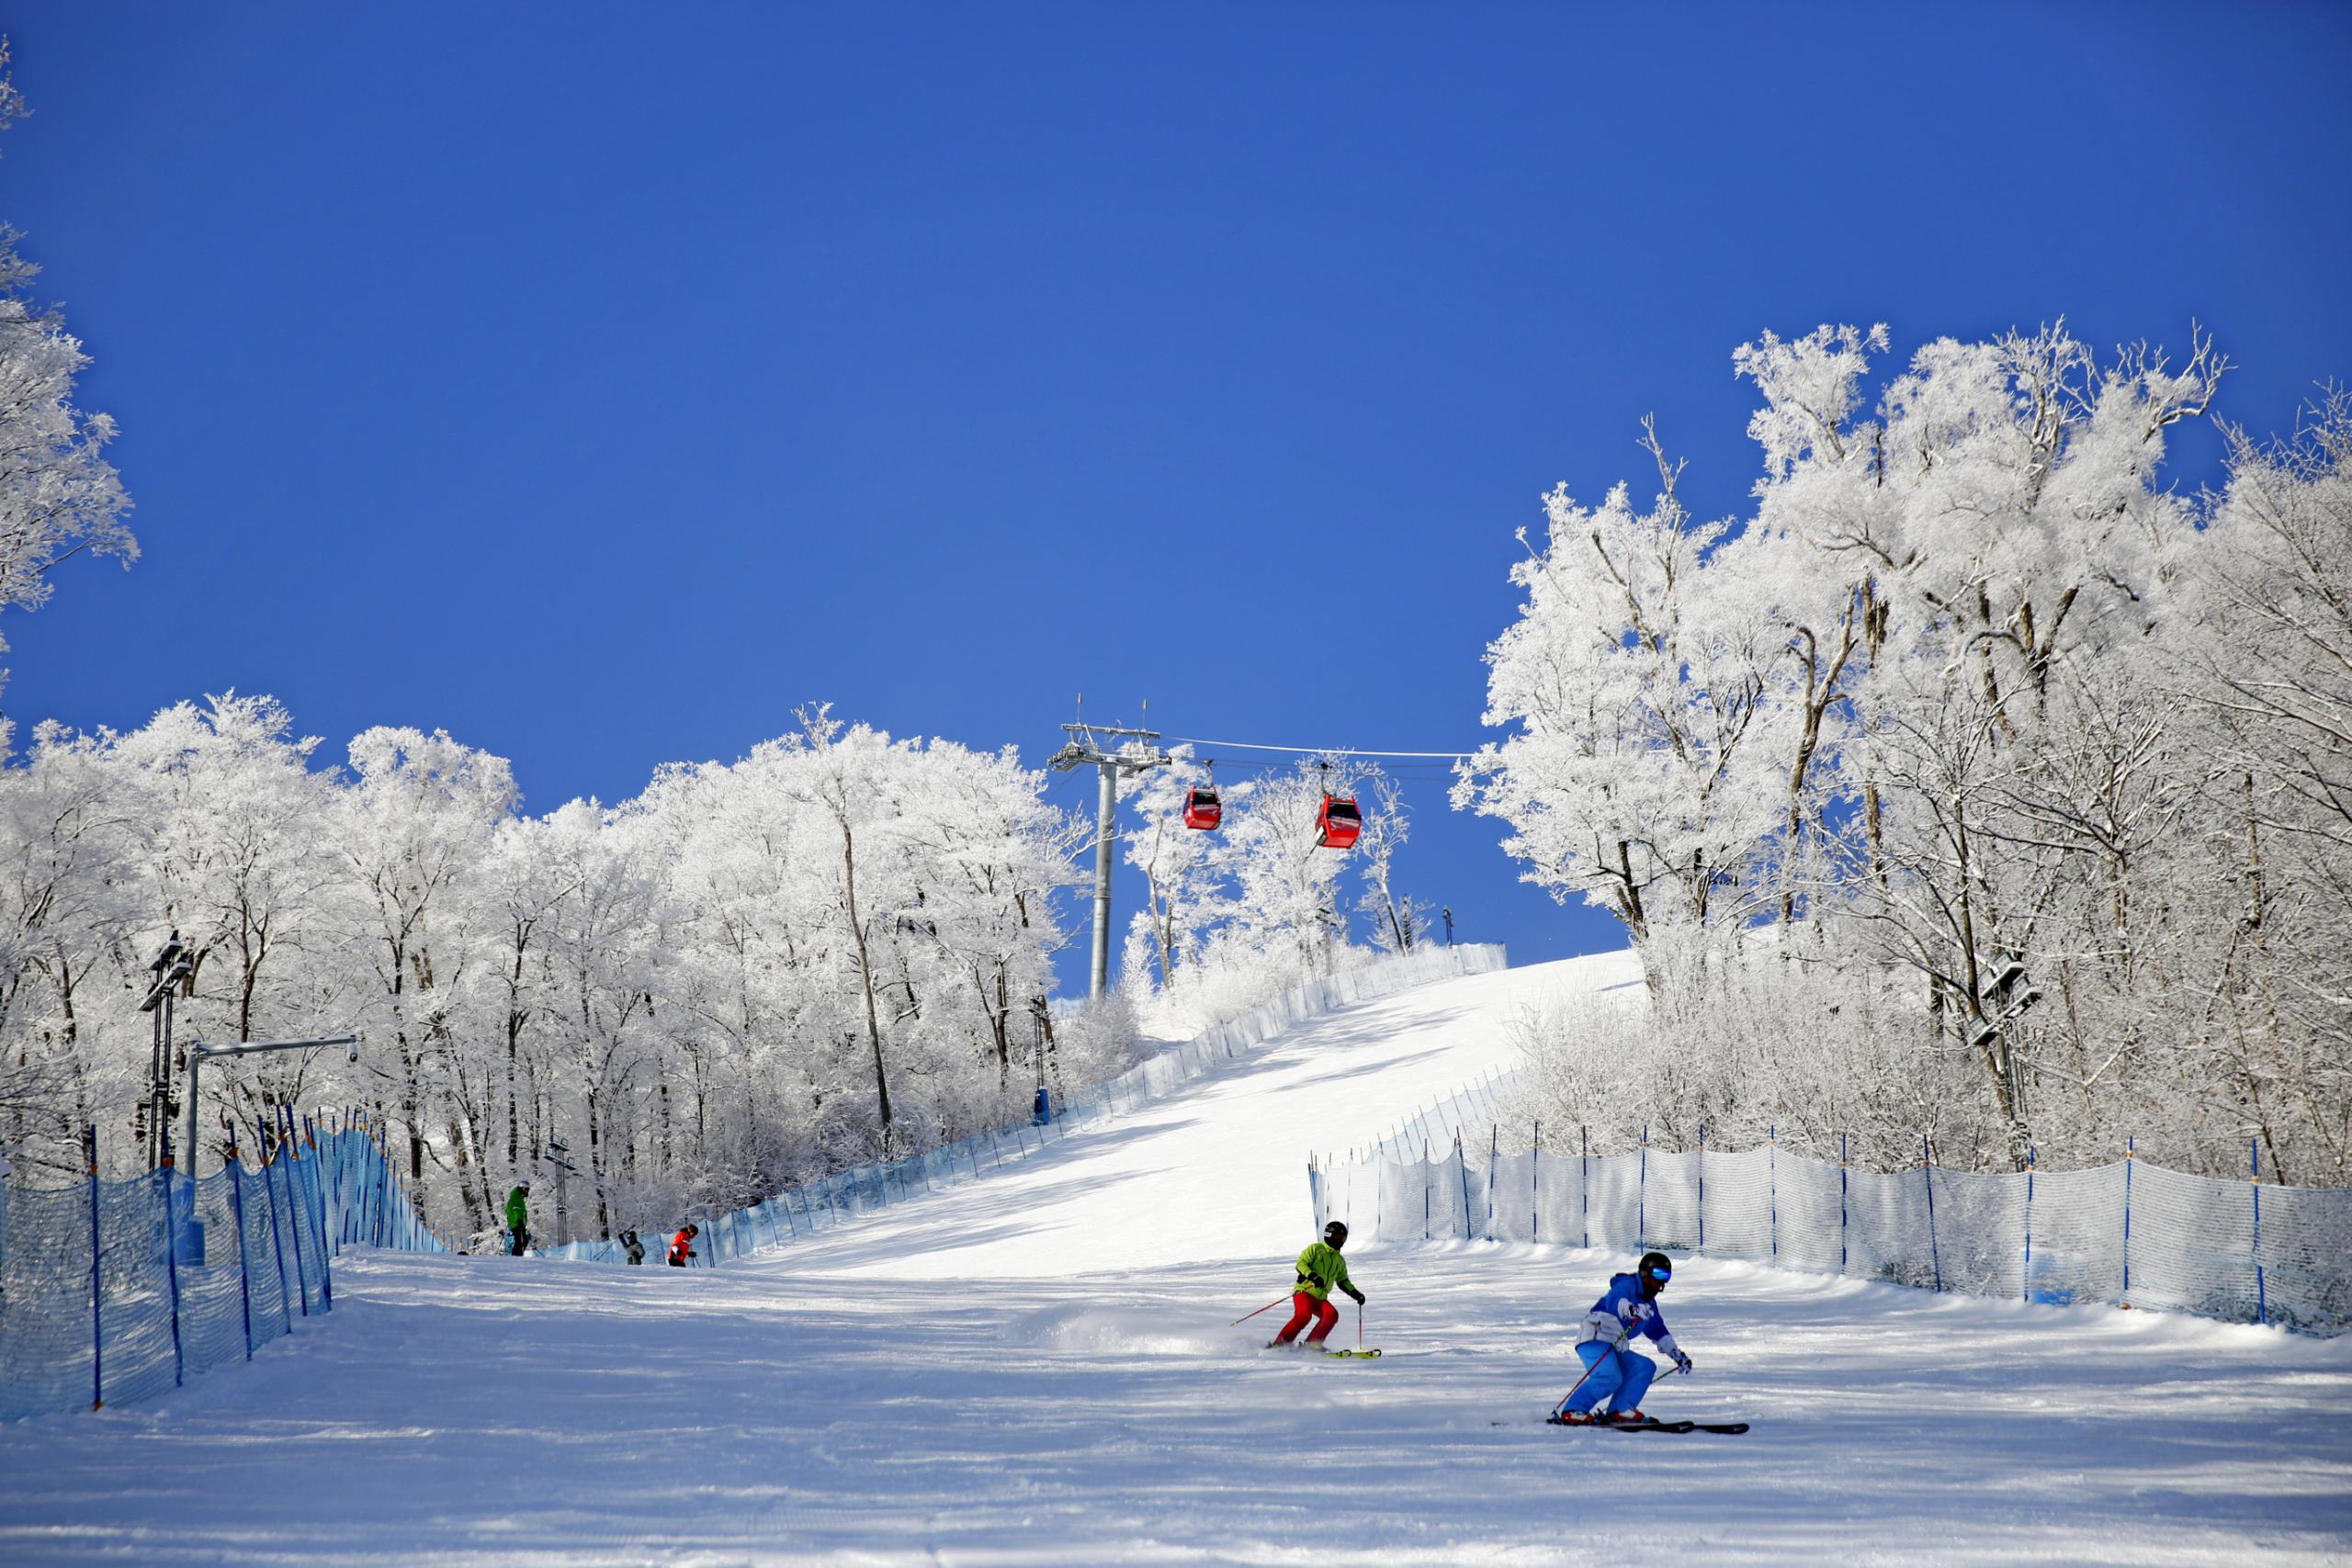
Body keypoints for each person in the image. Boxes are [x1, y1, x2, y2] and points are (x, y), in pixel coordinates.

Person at [1555, 1251, 1691, 1426]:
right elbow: (1615, 1299)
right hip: (1594, 1337)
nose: (1662, 1282)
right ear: (1645, 1273)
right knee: (1609, 1376)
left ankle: (1620, 1410)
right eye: (1658, 1274)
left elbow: (1658, 1331)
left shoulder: (1649, 1305)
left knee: (1644, 1366)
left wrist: (1677, 1355)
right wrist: (1632, 1309)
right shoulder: (1628, 1284)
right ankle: (1574, 1410)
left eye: (1666, 1276)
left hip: (1615, 1346)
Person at [1271, 1220, 1365, 1347]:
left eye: (1343, 1238)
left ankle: (1312, 1344)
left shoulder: (1339, 1260)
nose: (1341, 1241)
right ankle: (1280, 1344)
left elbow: (1343, 1281)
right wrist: (1313, 1276)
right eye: (1338, 1237)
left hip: (1320, 1297)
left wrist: (1356, 1294)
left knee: (1331, 1315)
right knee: (1304, 1316)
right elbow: (1301, 1264)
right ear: (1329, 1236)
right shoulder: (1316, 1249)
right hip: (1304, 1292)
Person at [504, 1179, 532, 1257]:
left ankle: (517, 1256)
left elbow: (509, 1209)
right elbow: (516, 1209)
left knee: (521, 1240)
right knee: (522, 1240)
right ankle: (516, 1257)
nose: (527, 1191)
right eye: (526, 1189)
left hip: (516, 1222)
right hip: (517, 1223)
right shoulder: (516, 1197)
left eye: (528, 1189)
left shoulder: (517, 1196)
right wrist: (519, 1220)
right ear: (522, 1189)